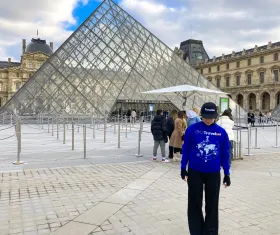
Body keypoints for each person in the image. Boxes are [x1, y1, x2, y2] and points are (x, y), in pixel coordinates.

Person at [181, 102, 231, 235]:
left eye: (211, 117)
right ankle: (196, 231)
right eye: (206, 116)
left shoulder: (221, 132)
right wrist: (183, 167)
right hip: (195, 171)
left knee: (212, 204)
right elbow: (186, 149)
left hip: (213, 173)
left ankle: (210, 231)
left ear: (216, 116)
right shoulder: (192, 130)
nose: (208, 119)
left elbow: (225, 154)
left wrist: (227, 173)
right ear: (201, 115)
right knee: (194, 203)